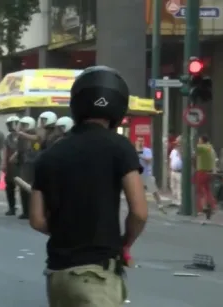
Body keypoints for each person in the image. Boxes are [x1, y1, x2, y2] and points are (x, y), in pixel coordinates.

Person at [30, 66, 148, 306]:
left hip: (58, 275)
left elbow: (36, 219)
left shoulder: (49, 156)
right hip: (96, 275)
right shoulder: (119, 147)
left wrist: (67, 230)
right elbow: (139, 211)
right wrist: (124, 241)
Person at [15, 116, 38, 219]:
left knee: (31, 189)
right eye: (22, 125)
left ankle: (32, 211)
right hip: (23, 164)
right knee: (23, 188)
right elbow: (19, 150)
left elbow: (36, 149)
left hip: (33, 164)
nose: (22, 127)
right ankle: (25, 211)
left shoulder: (35, 135)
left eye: (25, 125)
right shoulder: (21, 137)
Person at [135, 136, 164, 212]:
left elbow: (149, 160)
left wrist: (140, 155)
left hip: (147, 174)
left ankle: (159, 204)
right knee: (138, 191)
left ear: (144, 142)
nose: (140, 142)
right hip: (138, 174)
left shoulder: (147, 150)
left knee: (153, 190)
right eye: (139, 141)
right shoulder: (134, 150)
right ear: (136, 142)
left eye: (141, 141)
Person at [1, 115, 20, 215]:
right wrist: (4, 163)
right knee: (9, 186)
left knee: (22, 186)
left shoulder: (22, 136)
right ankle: (11, 207)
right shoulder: (8, 138)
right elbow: (5, 150)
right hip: (10, 165)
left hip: (20, 164)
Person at [195, 135, 217, 215]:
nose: (198, 141)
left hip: (202, 171)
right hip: (209, 171)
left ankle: (201, 209)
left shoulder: (202, 147)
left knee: (200, 190)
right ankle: (212, 206)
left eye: (199, 140)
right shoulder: (210, 148)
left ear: (202, 141)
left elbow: (194, 149)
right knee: (207, 190)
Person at [169, 136, 182, 208]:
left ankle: (180, 202)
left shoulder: (183, 151)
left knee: (179, 187)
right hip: (173, 171)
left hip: (180, 172)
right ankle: (174, 201)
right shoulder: (173, 151)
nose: (177, 145)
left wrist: (180, 151)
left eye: (178, 143)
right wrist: (169, 170)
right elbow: (170, 160)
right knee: (172, 186)